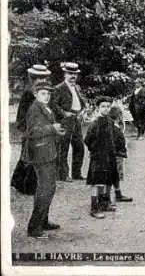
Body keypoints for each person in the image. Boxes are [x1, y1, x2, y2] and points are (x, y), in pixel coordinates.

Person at [23, 81, 66, 239]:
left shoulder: (44, 107)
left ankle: (43, 221)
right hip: (40, 154)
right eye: (43, 93)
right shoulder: (34, 108)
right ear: (36, 94)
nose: (46, 96)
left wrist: (56, 132)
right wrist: (52, 128)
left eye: (48, 93)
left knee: (49, 188)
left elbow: (46, 127)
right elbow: (32, 132)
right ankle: (34, 228)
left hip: (48, 152)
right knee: (45, 189)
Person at [11, 64, 52, 195]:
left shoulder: (43, 93)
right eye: (39, 78)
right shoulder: (28, 95)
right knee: (29, 158)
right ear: (33, 79)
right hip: (30, 130)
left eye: (44, 78)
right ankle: (27, 186)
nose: (42, 80)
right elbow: (22, 116)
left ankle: (18, 182)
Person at [49, 62, 87, 182]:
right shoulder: (58, 88)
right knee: (63, 148)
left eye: (75, 74)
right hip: (64, 121)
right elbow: (53, 105)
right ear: (65, 74)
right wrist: (64, 113)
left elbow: (83, 103)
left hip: (76, 119)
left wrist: (83, 112)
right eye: (70, 73)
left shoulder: (78, 87)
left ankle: (77, 173)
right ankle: (63, 174)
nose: (73, 76)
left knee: (80, 147)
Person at [84, 96, 119, 219]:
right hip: (98, 156)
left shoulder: (110, 121)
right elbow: (87, 140)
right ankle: (94, 207)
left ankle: (104, 203)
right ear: (98, 108)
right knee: (97, 181)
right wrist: (95, 150)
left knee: (108, 179)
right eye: (103, 106)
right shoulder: (95, 124)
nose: (105, 109)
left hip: (109, 155)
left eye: (108, 106)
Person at [108, 106, 133, 203]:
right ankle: (107, 198)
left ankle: (118, 194)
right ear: (119, 117)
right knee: (113, 175)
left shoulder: (116, 126)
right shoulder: (113, 128)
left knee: (116, 175)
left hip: (118, 154)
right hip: (115, 154)